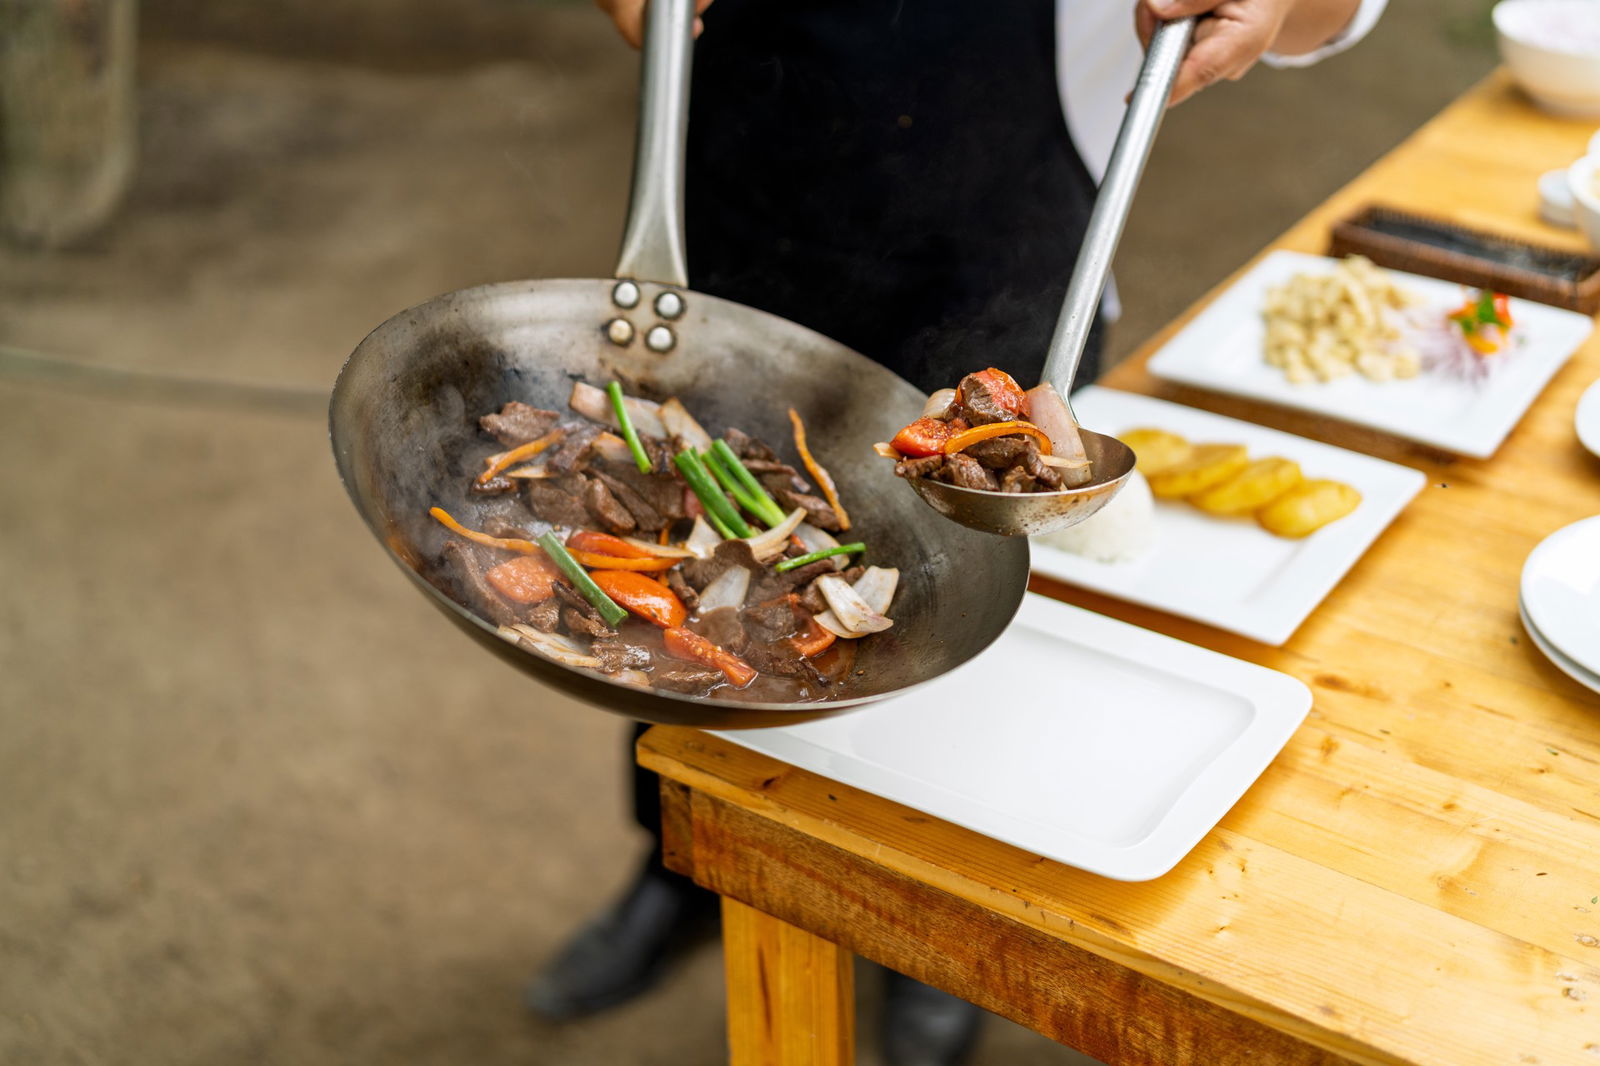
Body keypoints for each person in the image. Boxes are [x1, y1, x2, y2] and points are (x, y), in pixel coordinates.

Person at [528, 0, 1387, 1062]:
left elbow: (1325, 17)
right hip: (742, 244)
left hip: (999, 267)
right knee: (684, 568)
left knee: (971, 651)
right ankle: (676, 867)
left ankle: (923, 935)